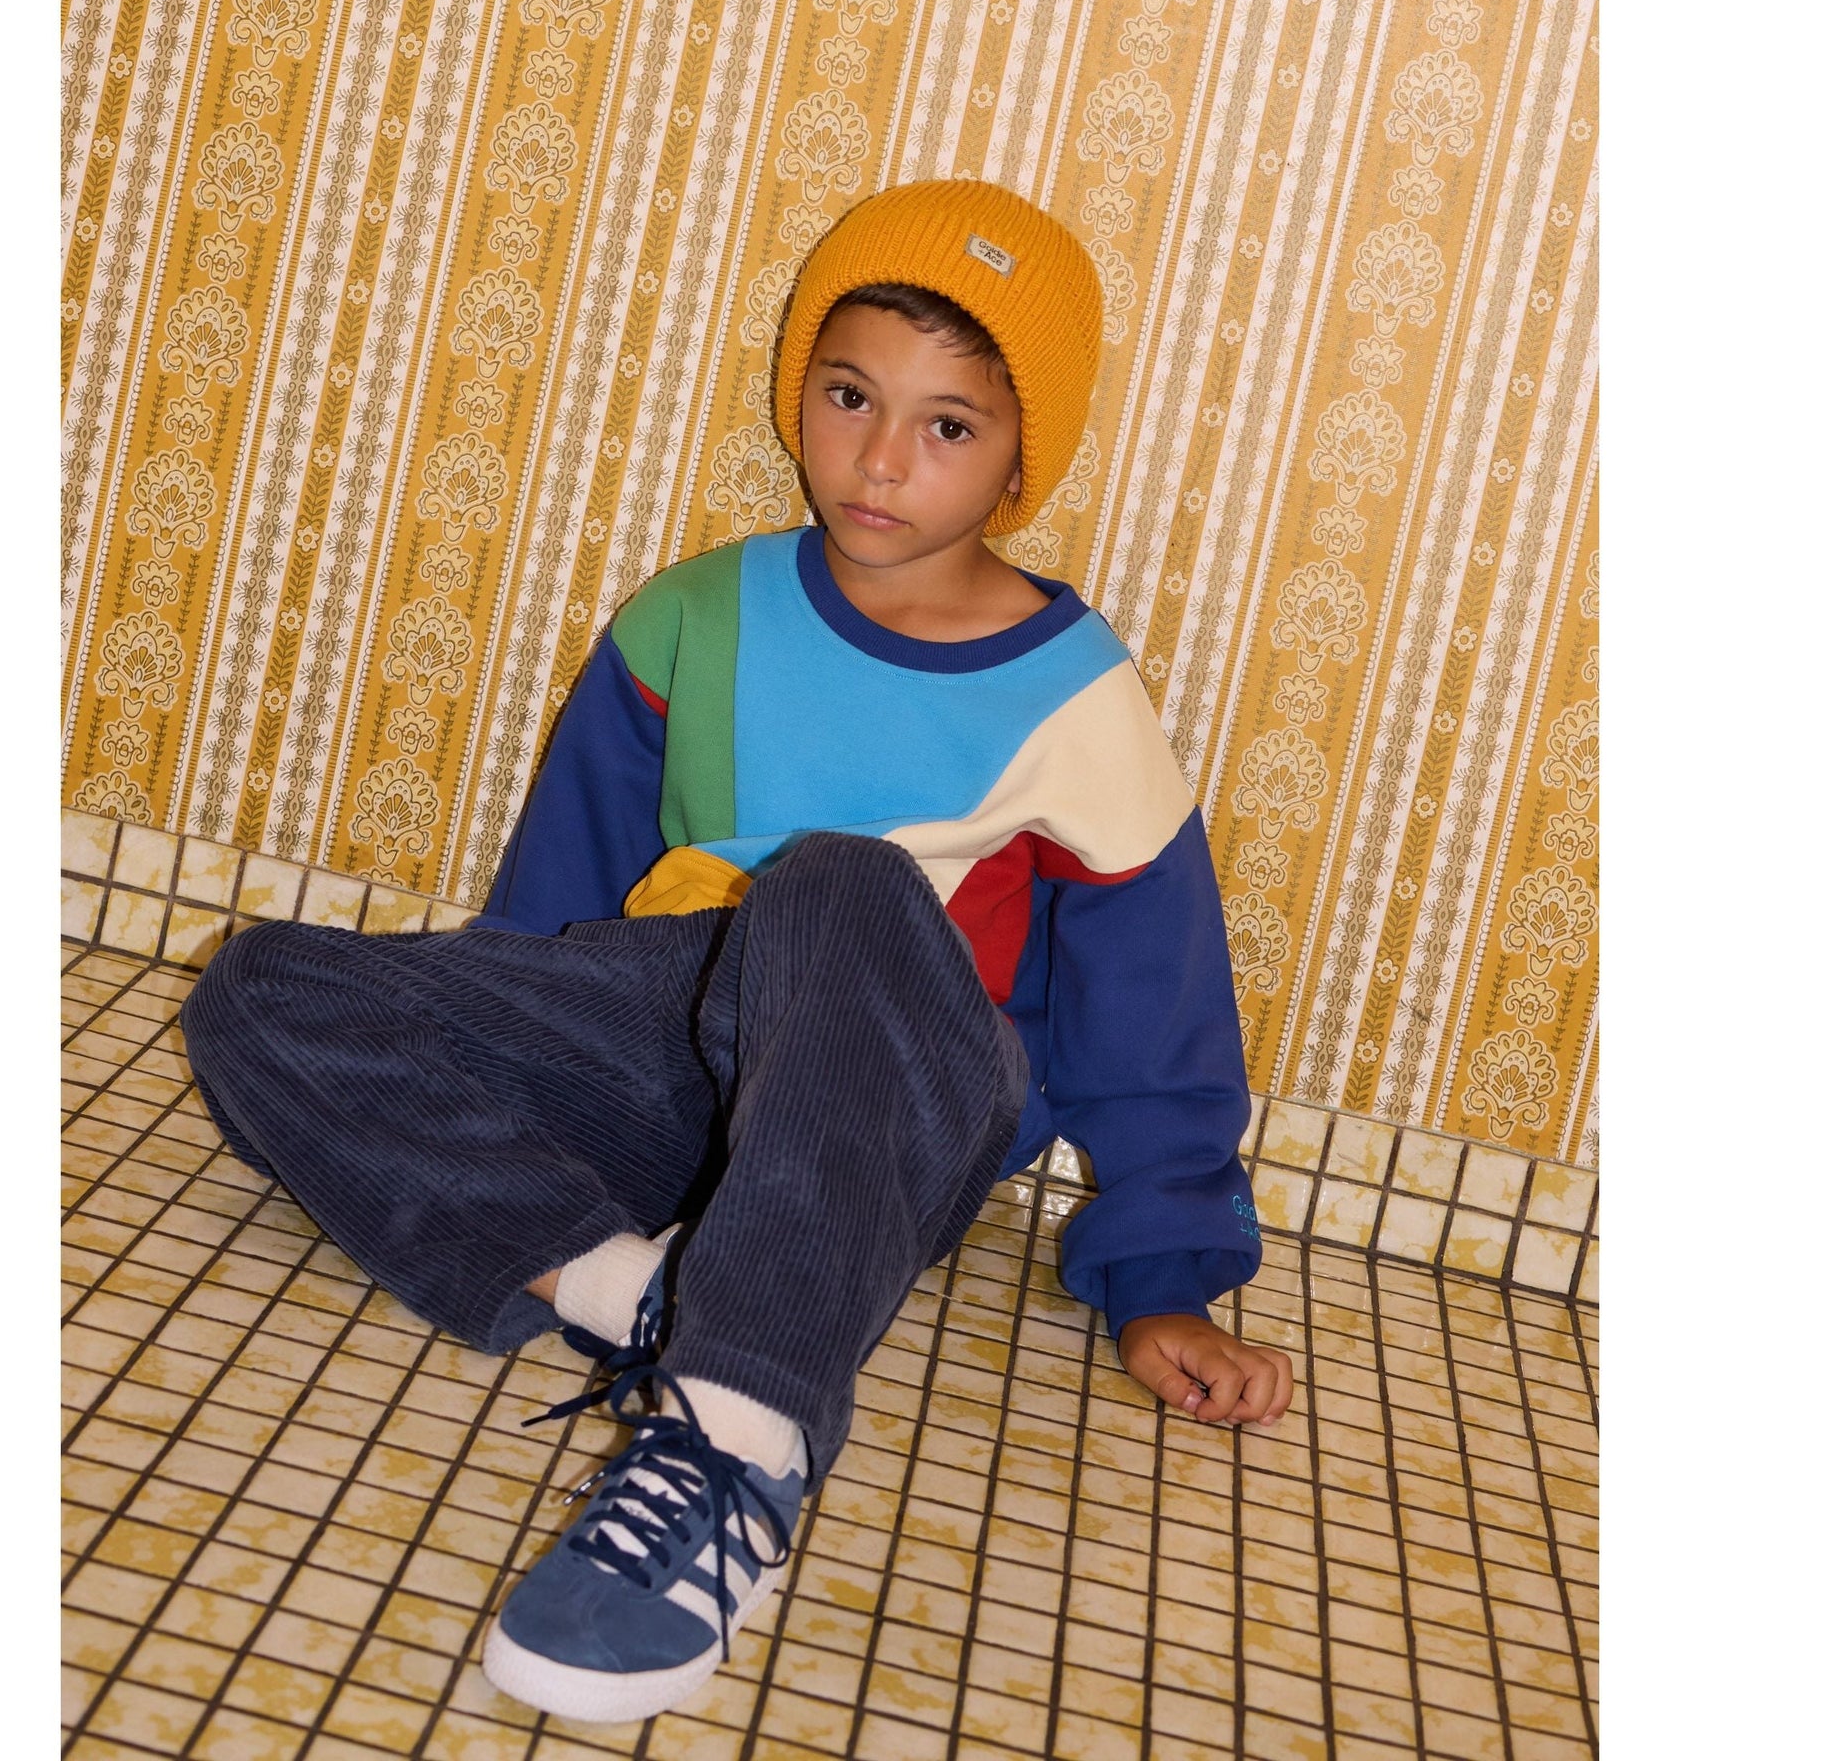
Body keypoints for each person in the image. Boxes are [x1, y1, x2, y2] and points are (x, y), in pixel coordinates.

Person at [180, 178, 1292, 1726]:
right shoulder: (694, 615)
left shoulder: (1076, 693)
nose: (882, 458)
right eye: (849, 396)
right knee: (258, 985)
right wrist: (502, 1049)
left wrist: (1163, 1276)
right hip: (667, 1053)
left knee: (837, 884)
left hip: (895, 1105)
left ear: (1023, 454)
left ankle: (740, 1430)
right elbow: (557, 912)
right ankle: (637, 1292)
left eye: (948, 424)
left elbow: (1152, 1009)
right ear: (799, 392)